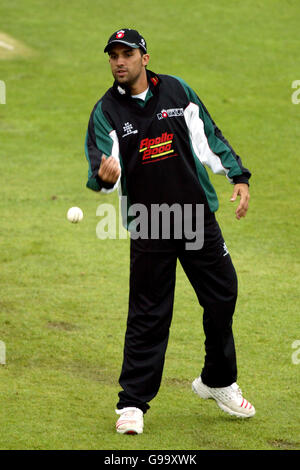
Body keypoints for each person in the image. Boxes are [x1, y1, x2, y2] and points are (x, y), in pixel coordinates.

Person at [84, 28, 255, 435]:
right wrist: (106, 177)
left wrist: (237, 175)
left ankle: (216, 380)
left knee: (223, 295)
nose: (119, 61)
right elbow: (102, 167)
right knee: (149, 312)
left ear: (145, 57)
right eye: (113, 56)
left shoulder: (178, 92)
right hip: (151, 223)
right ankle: (131, 405)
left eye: (127, 54)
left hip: (196, 217)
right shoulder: (107, 111)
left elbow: (207, 138)